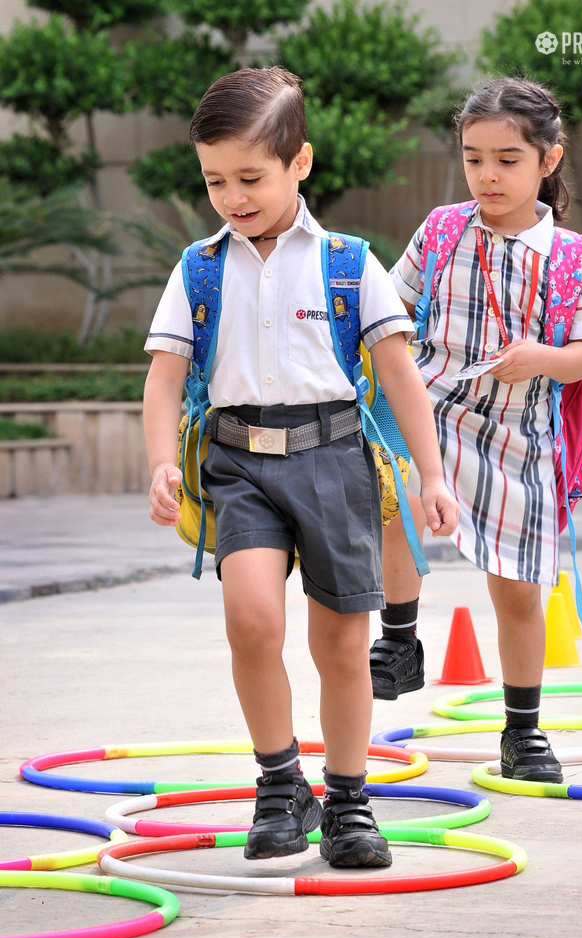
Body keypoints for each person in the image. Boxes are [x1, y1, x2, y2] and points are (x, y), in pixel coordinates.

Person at [143, 67, 459, 868]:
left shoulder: (352, 265)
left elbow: (397, 376)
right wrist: (158, 464)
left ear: (300, 163)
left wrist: (432, 474)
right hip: (238, 463)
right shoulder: (200, 267)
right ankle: (282, 783)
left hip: (334, 461)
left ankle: (350, 800)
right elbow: (164, 376)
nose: (231, 196)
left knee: (342, 648)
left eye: (250, 177)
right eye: (215, 179)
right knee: (251, 620)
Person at [370, 78, 582, 783]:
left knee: (519, 589)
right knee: (401, 501)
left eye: (507, 159)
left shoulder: (573, 257)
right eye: (474, 158)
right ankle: (400, 639)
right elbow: (387, 306)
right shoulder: (441, 230)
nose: (488, 175)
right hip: (433, 412)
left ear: (549, 160)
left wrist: (542, 358)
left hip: (522, 435)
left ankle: (524, 732)